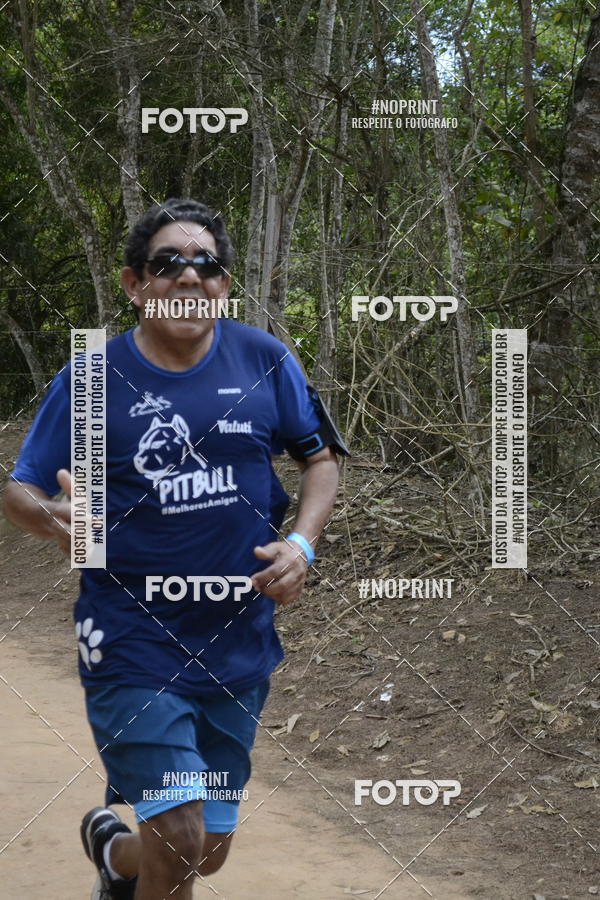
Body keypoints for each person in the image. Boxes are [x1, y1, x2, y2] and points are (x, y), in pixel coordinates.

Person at [4, 198, 348, 900]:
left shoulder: (265, 359)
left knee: (203, 851)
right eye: (169, 264)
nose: (190, 278)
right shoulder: (94, 380)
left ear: (225, 285)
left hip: (235, 638)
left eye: (208, 266)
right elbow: (21, 491)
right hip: (131, 636)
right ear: (135, 284)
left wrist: (302, 546)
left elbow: (324, 460)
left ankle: (115, 860)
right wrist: (55, 518)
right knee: (182, 832)